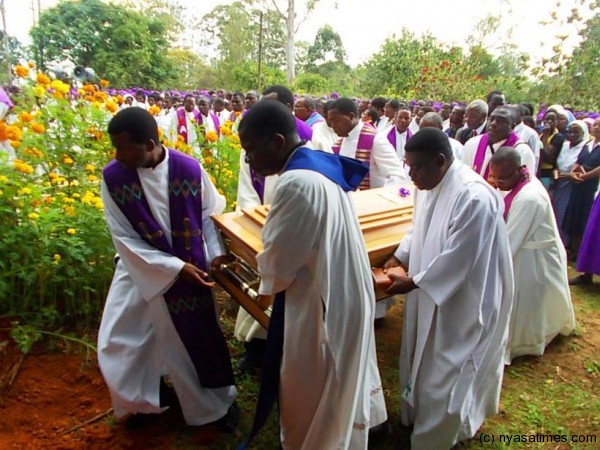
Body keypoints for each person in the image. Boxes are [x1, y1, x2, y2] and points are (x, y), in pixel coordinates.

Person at [237, 100, 387, 449]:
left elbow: (277, 262)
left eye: (250, 150)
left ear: (276, 142)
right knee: (338, 382)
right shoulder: (320, 167)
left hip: (322, 304)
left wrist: (261, 277)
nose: (248, 161)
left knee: (311, 388)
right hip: (342, 292)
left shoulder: (295, 184)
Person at [98, 107, 237, 430]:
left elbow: (209, 214)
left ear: (148, 143)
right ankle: (145, 401)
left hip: (192, 272)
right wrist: (172, 267)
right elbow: (122, 235)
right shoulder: (115, 177)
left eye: (122, 147)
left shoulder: (188, 168)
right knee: (118, 339)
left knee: (195, 341)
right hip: (140, 268)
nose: (116, 155)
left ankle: (213, 409)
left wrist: (214, 254)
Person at [383, 128, 513, 449]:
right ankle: (417, 419)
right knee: (420, 359)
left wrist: (413, 282)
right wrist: (399, 255)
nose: (410, 174)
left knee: (447, 372)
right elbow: (419, 226)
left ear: (440, 161)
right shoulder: (427, 183)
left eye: (416, 167)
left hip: (463, 300)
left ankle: (436, 438)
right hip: (429, 290)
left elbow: (460, 257)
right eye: (407, 166)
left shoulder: (474, 196)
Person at [488, 147, 575, 362]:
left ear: (519, 170)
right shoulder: (523, 181)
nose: (498, 184)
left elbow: (510, 242)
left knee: (527, 304)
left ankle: (523, 343)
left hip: (533, 258)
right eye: (494, 177)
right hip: (528, 248)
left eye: (503, 179)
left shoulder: (529, 198)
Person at [328, 97, 405, 190]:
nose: (332, 126)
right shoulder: (339, 143)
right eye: (330, 122)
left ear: (351, 116)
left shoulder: (375, 139)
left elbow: (397, 175)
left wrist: (377, 199)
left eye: (335, 121)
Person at [462, 105, 536, 179]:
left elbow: (524, 185)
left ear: (512, 127)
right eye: (491, 119)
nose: (493, 123)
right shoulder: (473, 143)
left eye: (501, 121)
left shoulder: (522, 151)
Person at [551, 120, 590, 253]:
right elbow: (558, 164)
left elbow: (580, 168)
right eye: (570, 131)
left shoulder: (585, 147)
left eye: (576, 132)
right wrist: (556, 172)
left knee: (565, 214)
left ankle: (565, 244)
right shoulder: (565, 145)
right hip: (559, 182)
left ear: (583, 134)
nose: (572, 134)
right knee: (555, 211)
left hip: (572, 184)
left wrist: (568, 175)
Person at [571, 119, 600, 285]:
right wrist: (575, 173)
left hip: (592, 187)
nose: (595, 127)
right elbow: (579, 161)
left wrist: (586, 176)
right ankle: (586, 272)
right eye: (595, 124)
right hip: (588, 191)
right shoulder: (588, 145)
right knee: (592, 232)